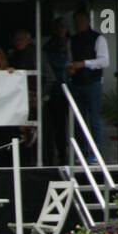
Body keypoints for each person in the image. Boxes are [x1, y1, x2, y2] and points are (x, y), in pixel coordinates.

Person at [67, 8, 110, 160]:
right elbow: (70, 58)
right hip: (77, 83)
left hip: (93, 83)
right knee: (79, 120)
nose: (79, 24)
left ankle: (95, 153)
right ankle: (83, 152)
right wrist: (72, 67)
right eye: (76, 22)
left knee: (94, 119)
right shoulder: (72, 40)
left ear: (87, 21)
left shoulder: (98, 38)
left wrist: (84, 64)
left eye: (81, 21)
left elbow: (104, 61)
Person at [43, 18, 71, 164]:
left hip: (72, 89)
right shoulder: (49, 47)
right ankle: (59, 156)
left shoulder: (71, 43)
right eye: (58, 27)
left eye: (63, 27)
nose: (61, 30)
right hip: (55, 91)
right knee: (57, 126)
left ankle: (73, 154)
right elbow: (54, 68)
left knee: (72, 124)